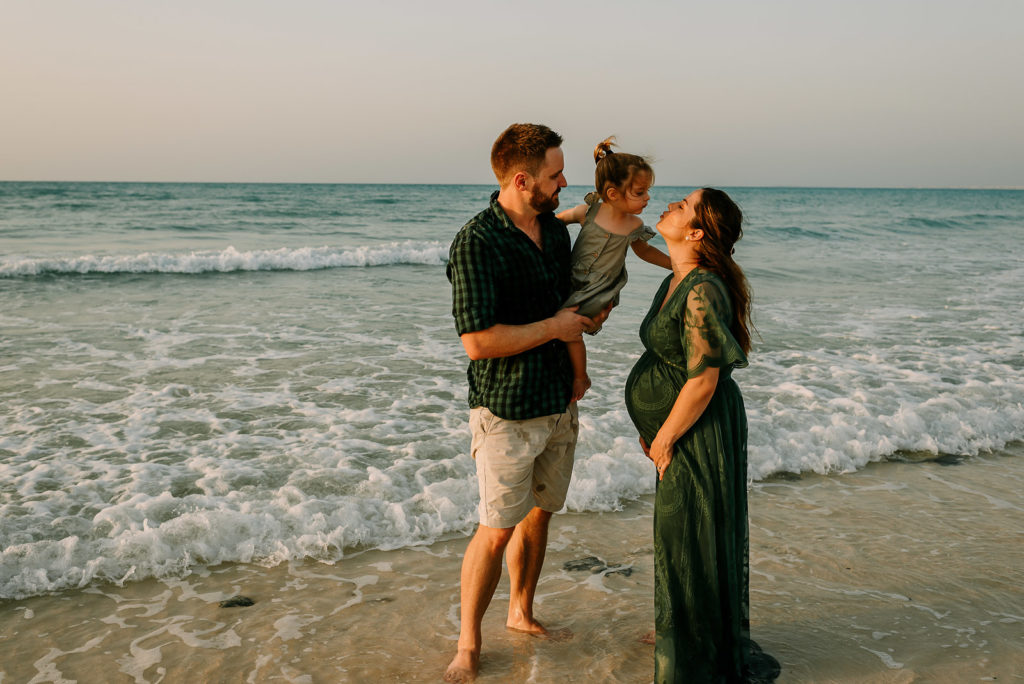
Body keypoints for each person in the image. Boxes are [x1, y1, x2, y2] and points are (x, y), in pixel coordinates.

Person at [444, 123, 611, 683]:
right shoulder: (476, 242)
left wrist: (586, 319)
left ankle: (521, 613)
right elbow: (478, 341)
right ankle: (468, 641)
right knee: (495, 526)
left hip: (559, 399)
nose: (565, 182)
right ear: (522, 179)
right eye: (555, 175)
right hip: (507, 409)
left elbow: (567, 306)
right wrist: (555, 326)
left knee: (540, 513)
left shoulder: (553, 231)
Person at [624, 188, 779, 682]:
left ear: (695, 233)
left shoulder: (701, 289)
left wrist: (665, 436)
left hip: (697, 428)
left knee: (690, 534)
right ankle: (684, 628)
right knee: (682, 535)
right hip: (680, 427)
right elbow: (644, 247)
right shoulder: (680, 275)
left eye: (682, 205)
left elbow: (705, 378)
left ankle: (693, 645)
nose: (669, 203)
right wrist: (608, 209)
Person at [556, 137, 671, 401]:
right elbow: (556, 222)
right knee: (562, 324)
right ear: (612, 194)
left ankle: (580, 376)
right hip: (572, 280)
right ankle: (575, 372)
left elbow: (644, 251)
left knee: (570, 327)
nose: (647, 197)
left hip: (600, 289)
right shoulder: (589, 212)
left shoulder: (634, 225)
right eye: (639, 192)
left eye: (646, 191)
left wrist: (675, 265)